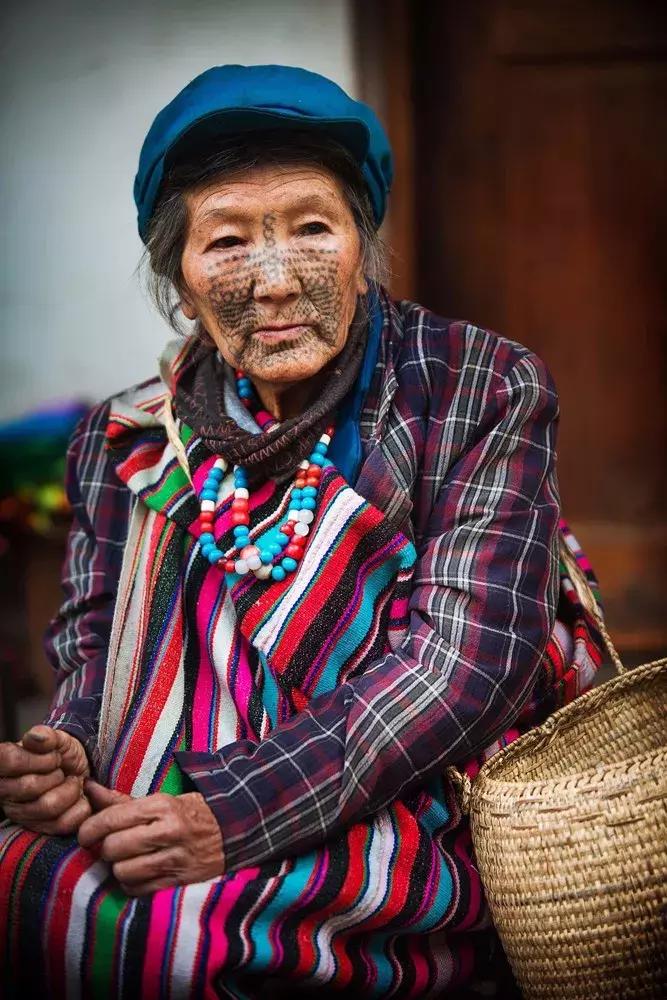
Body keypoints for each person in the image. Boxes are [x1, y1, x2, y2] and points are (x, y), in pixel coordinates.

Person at [0, 65, 603, 998]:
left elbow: (465, 666)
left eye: (313, 229)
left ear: (362, 245)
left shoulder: (478, 387)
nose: (274, 282)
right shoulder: (125, 437)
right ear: (179, 276)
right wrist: (72, 747)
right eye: (228, 242)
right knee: (28, 888)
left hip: (397, 786)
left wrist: (231, 815)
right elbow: (90, 645)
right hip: (163, 784)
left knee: (190, 942)